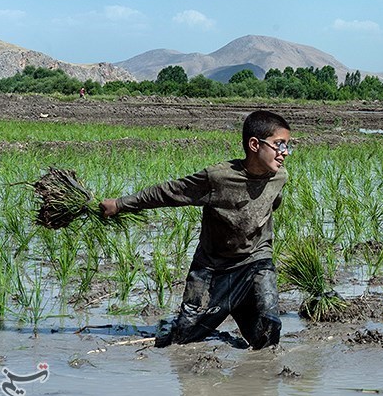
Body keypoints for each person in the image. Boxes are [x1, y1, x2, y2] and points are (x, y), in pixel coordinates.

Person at [99, 109, 291, 349]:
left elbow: (273, 203)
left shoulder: (279, 176)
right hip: (212, 268)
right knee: (183, 339)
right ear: (254, 144)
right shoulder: (218, 178)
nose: (285, 153)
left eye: (287, 146)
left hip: (255, 262)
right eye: (279, 145)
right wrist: (119, 204)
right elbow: (168, 192)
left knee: (269, 331)